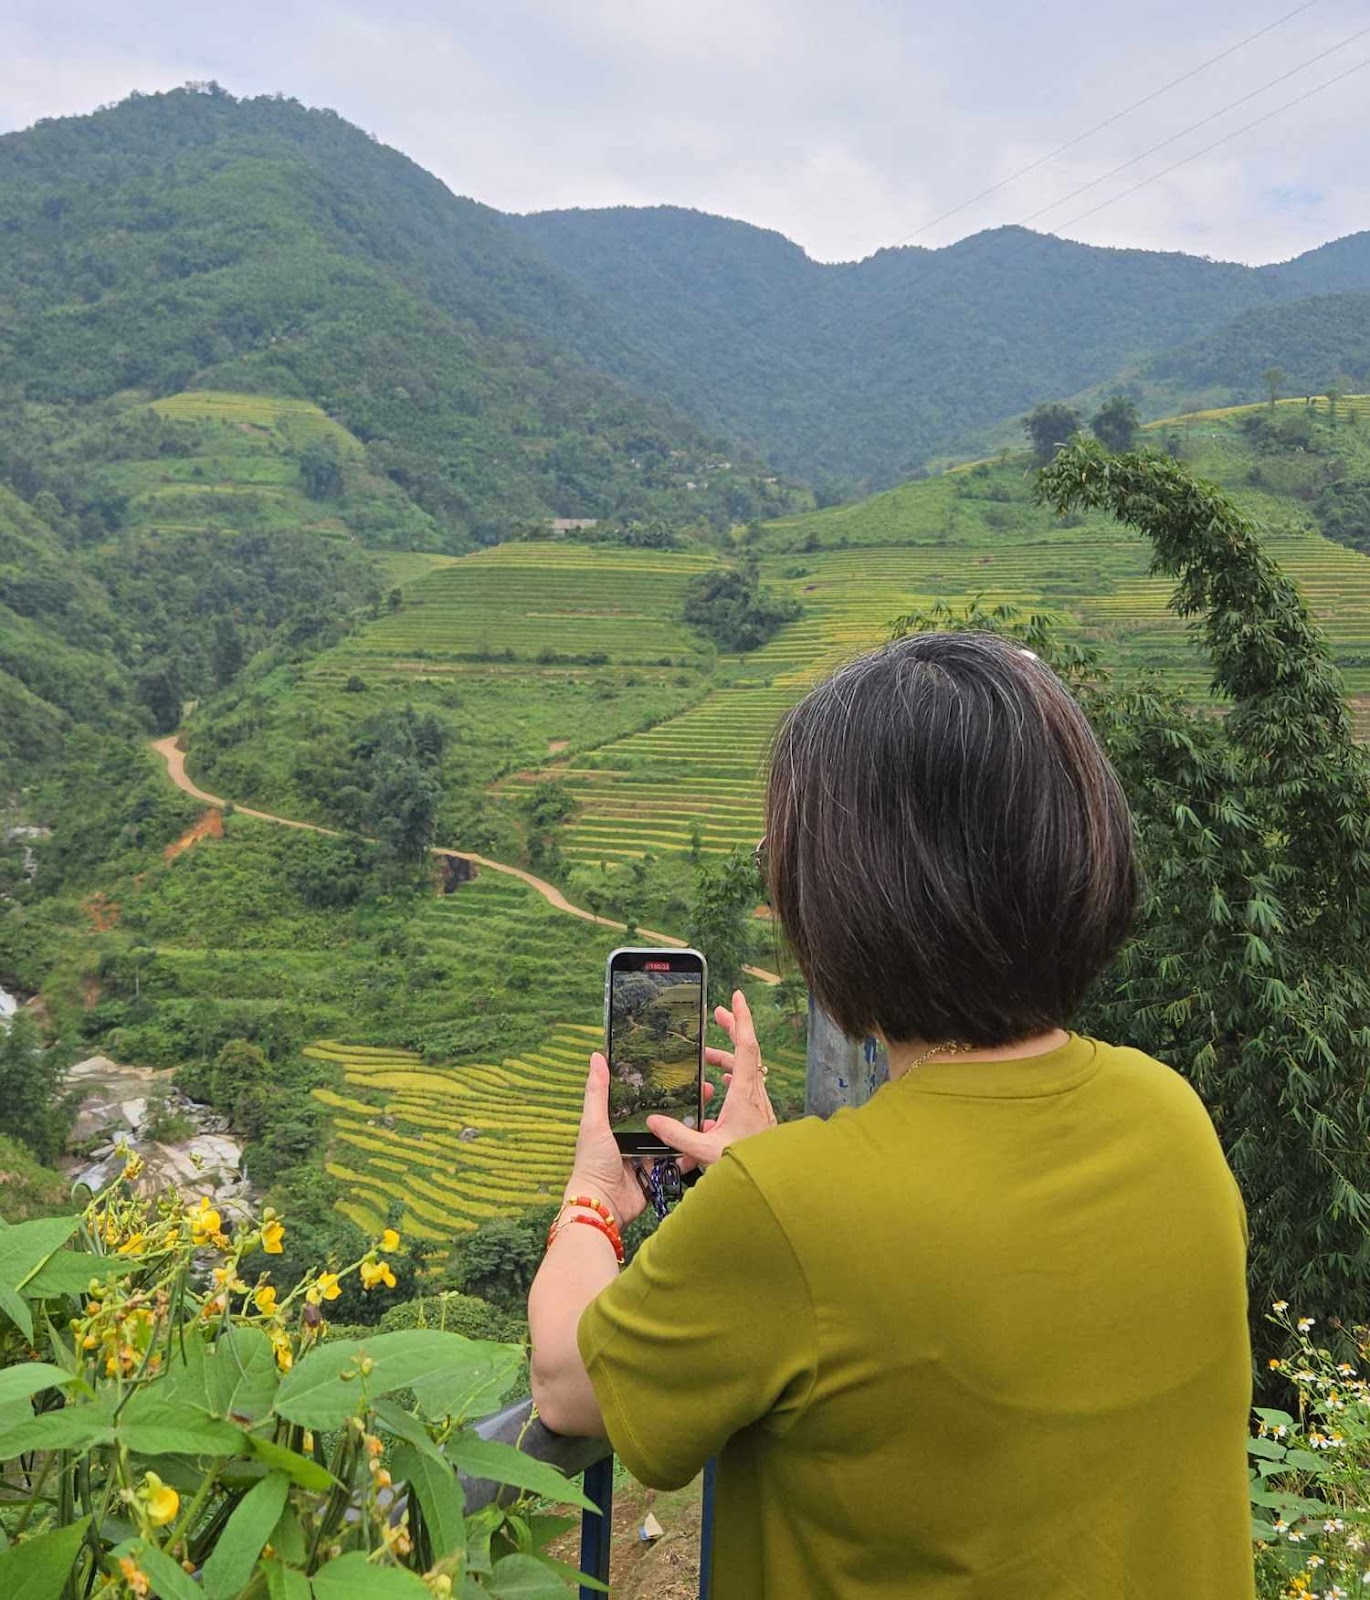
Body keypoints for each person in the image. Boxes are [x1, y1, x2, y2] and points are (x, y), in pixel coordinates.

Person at [528, 631, 1254, 1599]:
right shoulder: (1171, 1121)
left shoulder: (792, 1216)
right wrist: (782, 1174)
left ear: (849, 896)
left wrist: (592, 1194)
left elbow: (566, 1383)